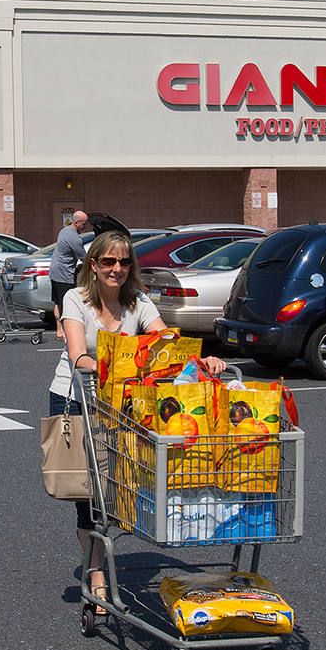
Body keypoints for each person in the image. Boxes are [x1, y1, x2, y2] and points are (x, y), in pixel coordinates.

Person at [46, 230, 226, 614]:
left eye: (124, 262)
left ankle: (98, 563)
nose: (117, 269)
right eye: (108, 262)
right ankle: (97, 575)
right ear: (93, 265)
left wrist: (201, 361)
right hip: (78, 398)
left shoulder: (137, 301)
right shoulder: (75, 299)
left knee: (115, 488)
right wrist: (103, 365)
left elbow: (165, 344)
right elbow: (78, 353)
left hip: (121, 404)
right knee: (90, 492)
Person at [48, 210, 89, 341]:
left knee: (58, 303)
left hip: (56, 271)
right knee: (66, 304)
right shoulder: (75, 238)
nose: (85, 226)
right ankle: (64, 331)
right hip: (63, 273)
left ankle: (60, 330)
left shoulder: (64, 231)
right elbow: (84, 257)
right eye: (84, 224)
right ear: (76, 222)